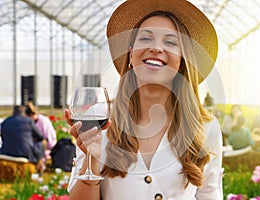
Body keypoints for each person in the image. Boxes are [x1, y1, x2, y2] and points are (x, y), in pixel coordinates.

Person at [65, 0, 223, 199]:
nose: (156, 48)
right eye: (146, 38)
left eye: (171, 42)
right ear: (130, 54)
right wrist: (92, 160)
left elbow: (209, 194)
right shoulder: (99, 122)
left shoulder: (206, 128)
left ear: (183, 60)